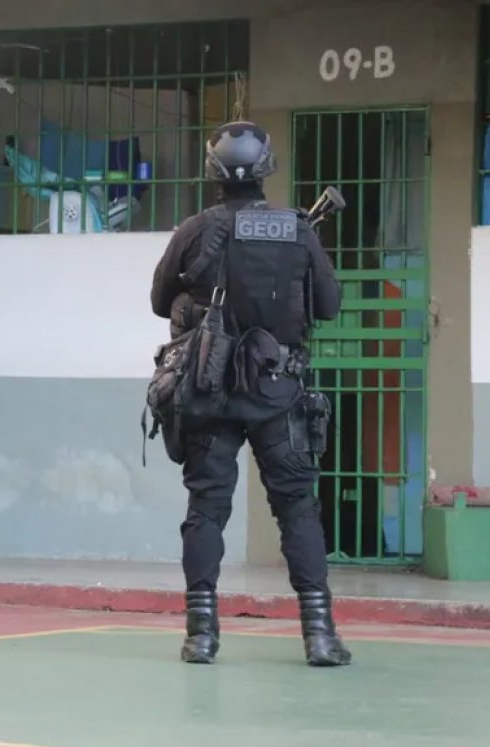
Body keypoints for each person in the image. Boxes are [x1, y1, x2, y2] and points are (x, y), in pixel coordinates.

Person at [149, 121, 351, 668]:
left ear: (213, 172)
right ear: (266, 169)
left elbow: (157, 299)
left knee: (207, 509)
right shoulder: (297, 229)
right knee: (296, 509)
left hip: (208, 391)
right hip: (277, 392)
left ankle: (201, 635)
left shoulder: (195, 230)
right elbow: (330, 306)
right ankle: (320, 635)